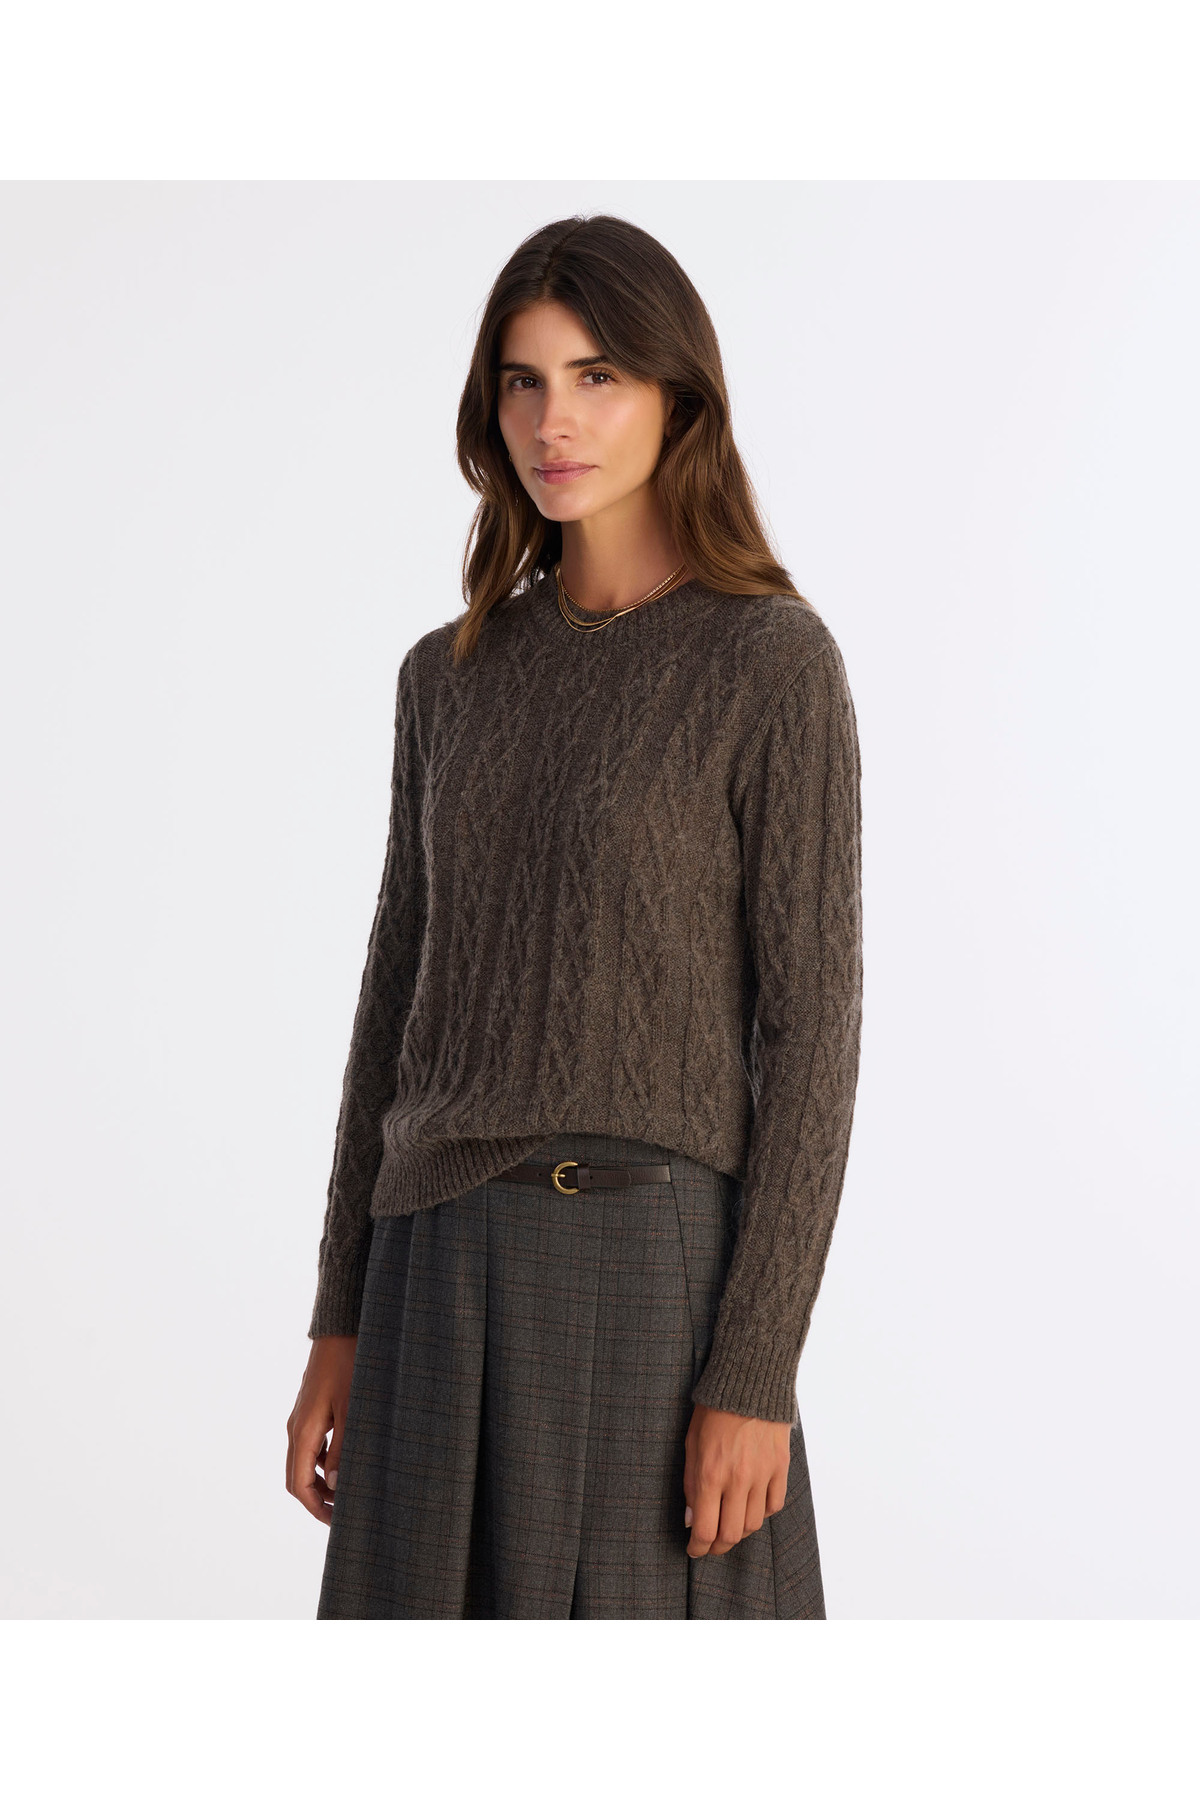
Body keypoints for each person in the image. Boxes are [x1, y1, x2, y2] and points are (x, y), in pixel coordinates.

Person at [284, 212, 863, 1619]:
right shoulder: (447, 676)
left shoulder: (769, 662)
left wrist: (756, 1370)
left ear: (678, 396)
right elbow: (396, 1003)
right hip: (431, 1274)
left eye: (597, 376)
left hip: (648, 1275)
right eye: (523, 380)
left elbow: (813, 1037)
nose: (555, 419)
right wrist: (338, 1317)